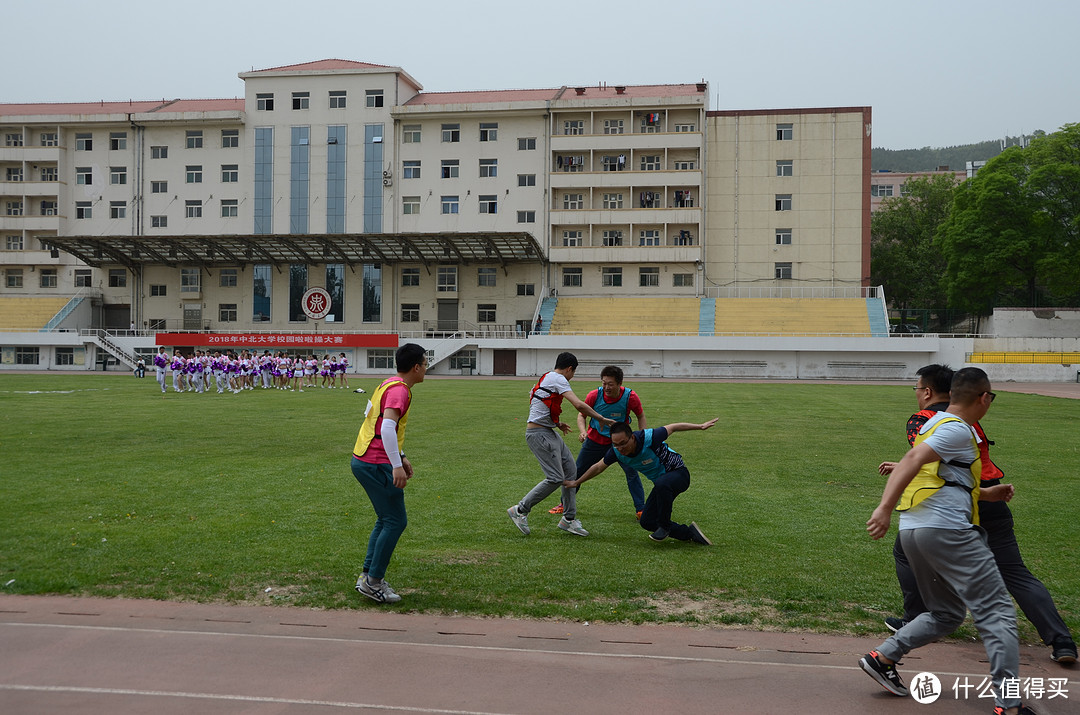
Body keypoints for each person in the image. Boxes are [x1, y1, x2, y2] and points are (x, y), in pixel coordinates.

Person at [878, 364, 1077, 665]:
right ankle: (1061, 641)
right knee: (1015, 573)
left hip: (952, 508)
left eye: (917, 389)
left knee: (908, 554)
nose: (917, 395)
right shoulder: (970, 422)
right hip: (987, 496)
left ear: (927, 392)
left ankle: (915, 620)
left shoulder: (927, 420)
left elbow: (924, 461)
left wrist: (889, 499)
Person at [860, 367, 1030, 715]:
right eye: (991, 397)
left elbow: (937, 478)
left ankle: (884, 657)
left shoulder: (932, 425)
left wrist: (986, 493)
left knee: (946, 613)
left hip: (915, 531)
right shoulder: (956, 429)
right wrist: (883, 508)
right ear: (984, 398)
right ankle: (1009, 704)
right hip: (947, 532)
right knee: (998, 612)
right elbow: (912, 461)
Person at [350, 343, 427, 604]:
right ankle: (373, 582)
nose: (426, 369)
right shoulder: (399, 391)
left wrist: (401, 457)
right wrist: (395, 464)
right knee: (395, 521)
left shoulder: (388, 383)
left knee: (385, 519)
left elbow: (380, 424)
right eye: (425, 364)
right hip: (376, 462)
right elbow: (386, 429)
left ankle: (367, 576)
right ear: (416, 367)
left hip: (364, 458)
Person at [507, 352, 615, 538]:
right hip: (539, 434)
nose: (572, 376)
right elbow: (579, 405)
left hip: (548, 431)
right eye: (573, 372)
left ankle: (568, 519)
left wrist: (557, 424)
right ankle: (521, 510)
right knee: (556, 478)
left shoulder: (547, 377)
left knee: (571, 471)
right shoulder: (559, 379)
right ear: (569, 368)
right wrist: (600, 418)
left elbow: (539, 404)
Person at [567, 418, 717, 545]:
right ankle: (688, 533)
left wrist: (700, 426)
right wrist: (576, 482)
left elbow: (673, 427)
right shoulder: (616, 452)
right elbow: (598, 467)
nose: (620, 448)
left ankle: (664, 527)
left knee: (661, 483)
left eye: (623, 443)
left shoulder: (649, 437)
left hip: (679, 474)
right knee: (647, 521)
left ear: (632, 437)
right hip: (662, 485)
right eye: (615, 444)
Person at [550, 365, 648, 518]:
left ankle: (641, 510)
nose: (606, 387)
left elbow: (641, 416)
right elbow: (581, 416)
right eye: (604, 383)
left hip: (620, 444)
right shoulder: (595, 395)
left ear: (619, 383)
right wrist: (583, 432)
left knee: (631, 473)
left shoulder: (630, 397)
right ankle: (564, 504)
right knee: (577, 471)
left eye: (610, 384)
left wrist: (641, 436)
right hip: (594, 441)